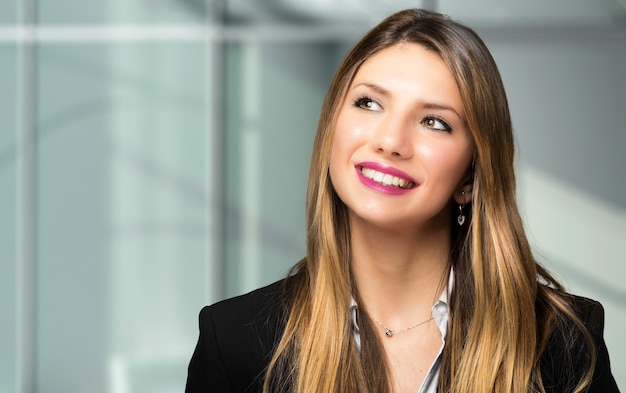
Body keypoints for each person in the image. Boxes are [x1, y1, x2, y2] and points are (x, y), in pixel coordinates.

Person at [185, 8, 620, 393]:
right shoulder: (233, 342)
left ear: (470, 175)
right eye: (368, 103)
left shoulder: (563, 341)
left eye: (434, 122)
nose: (391, 141)